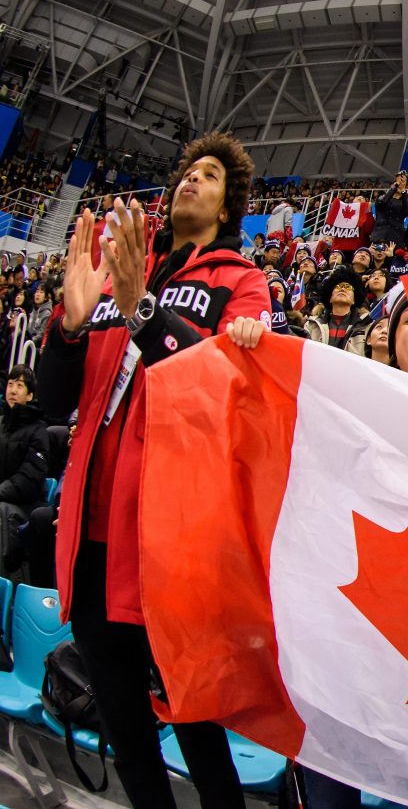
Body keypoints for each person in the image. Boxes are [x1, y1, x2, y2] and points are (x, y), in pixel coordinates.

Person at [37, 132, 270, 808]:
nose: (189, 181)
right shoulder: (113, 275)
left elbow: (227, 384)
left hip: (170, 546)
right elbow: (53, 399)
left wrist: (142, 307)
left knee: (199, 738)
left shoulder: (241, 281)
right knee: (130, 741)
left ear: (229, 208)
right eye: (186, 172)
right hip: (91, 540)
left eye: (208, 176)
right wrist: (71, 327)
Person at [226, 273, 408, 807]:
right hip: (347, 670)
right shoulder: (345, 420)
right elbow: (259, 439)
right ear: (391, 345)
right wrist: (246, 358)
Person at [0, 364, 49, 572]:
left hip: (24, 503)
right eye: (10, 384)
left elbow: (30, 477)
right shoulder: (0, 423)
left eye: (19, 385)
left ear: (29, 395)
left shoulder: (39, 431)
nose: (12, 390)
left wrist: (1, 491)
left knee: (2, 511)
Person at [372, 170, 408, 251]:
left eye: (401, 184)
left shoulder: (403, 202)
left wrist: (403, 190)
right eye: (397, 184)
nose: (399, 185)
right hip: (379, 236)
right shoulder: (382, 197)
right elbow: (381, 203)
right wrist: (396, 185)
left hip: (396, 238)